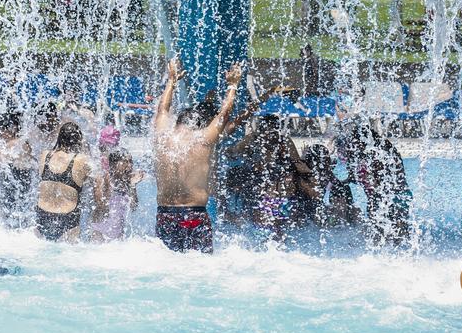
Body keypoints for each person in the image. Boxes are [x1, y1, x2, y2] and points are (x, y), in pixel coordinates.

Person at [152, 58, 243, 253]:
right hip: (194, 216)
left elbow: (162, 110)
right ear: (198, 124)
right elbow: (224, 115)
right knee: (200, 267)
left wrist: (171, 81)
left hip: (165, 215)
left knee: (168, 265)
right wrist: (233, 85)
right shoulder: (201, 139)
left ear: (177, 122)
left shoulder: (161, 137)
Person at [225, 114, 309, 242]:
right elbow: (232, 153)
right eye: (267, 130)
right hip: (260, 191)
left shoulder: (283, 141)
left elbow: (297, 164)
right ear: (261, 130)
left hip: (276, 192)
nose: (270, 134)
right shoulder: (253, 140)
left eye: (273, 130)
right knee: (262, 226)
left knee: (274, 227)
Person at [335, 124, 412, 248]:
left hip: (391, 198)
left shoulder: (378, 153)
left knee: (390, 236)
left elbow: (380, 182)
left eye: (355, 142)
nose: (353, 146)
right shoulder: (365, 154)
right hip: (391, 198)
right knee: (397, 237)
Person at [35, 121, 92, 242]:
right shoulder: (81, 160)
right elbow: (94, 179)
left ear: (59, 137)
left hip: (42, 215)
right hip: (67, 217)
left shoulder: (45, 155)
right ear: (78, 139)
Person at [297, 143, 359, 228]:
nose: (329, 158)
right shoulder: (317, 176)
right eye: (327, 157)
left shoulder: (308, 174)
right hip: (323, 218)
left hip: (314, 218)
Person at [89, 148, 143, 242]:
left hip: (118, 235)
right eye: (125, 162)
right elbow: (101, 205)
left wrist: (133, 186)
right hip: (100, 231)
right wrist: (110, 186)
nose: (129, 165)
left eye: (130, 161)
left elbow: (133, 207)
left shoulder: (127, 182)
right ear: (113, 164)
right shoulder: (102, 179)